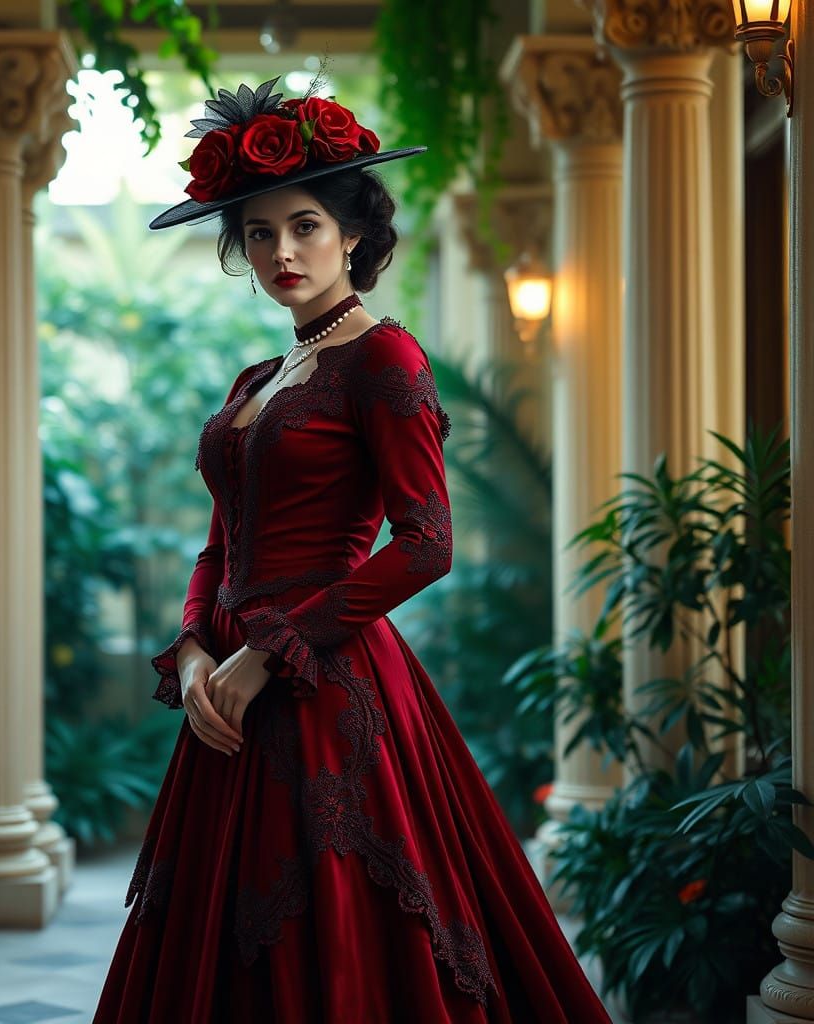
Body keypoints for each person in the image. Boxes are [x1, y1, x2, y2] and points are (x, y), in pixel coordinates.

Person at [92, 68, 613, 1023]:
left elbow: (426, 544)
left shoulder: (387, 357)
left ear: (354, 234)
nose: (282, 251)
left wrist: (267, 651)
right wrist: (202, 645)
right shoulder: (260, 374)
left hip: (328, 680)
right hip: (233, 685)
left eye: (305, 226)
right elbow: (221, 544)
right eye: (259, 233)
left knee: (337, 930)